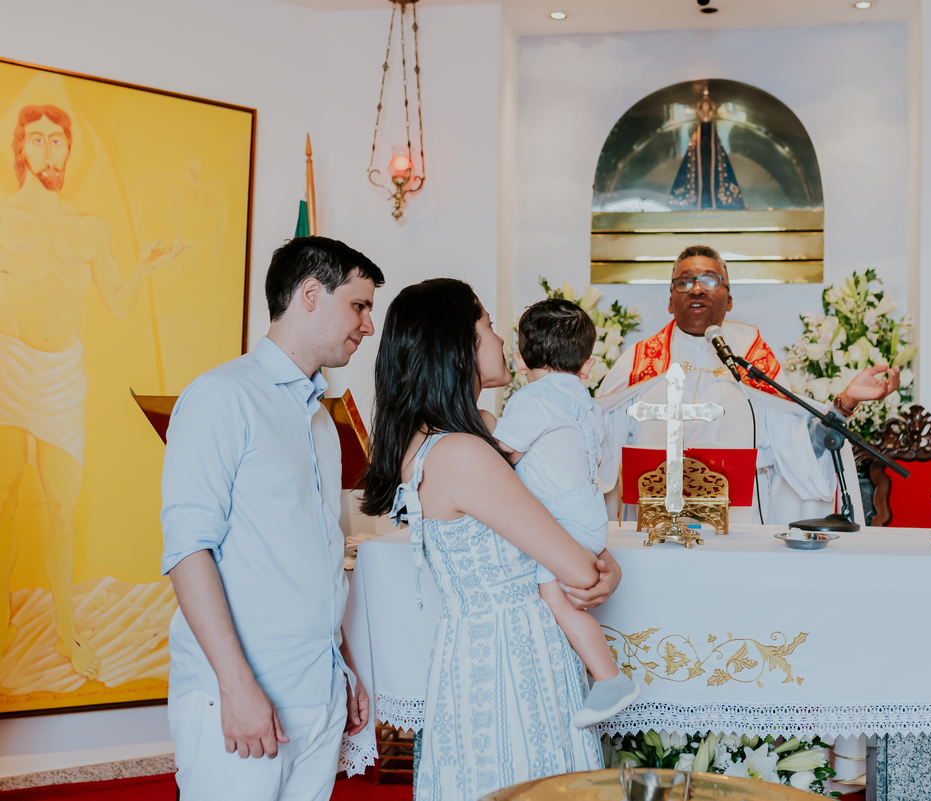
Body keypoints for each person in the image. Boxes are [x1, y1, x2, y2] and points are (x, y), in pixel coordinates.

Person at [358, 279, 621, 800]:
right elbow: (574, 566)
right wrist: (599, 565)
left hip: (491, 649)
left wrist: (601, 557)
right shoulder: (462, 453)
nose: (502, 339)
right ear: (459, 344)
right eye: (489, 326)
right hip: (509, 662)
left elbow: (550, 517)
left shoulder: (471, 432)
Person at [160, 237, 383, 801]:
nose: (368, 325)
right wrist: (236, 687)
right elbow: (189, 549)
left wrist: (344, 665)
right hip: (242, 693)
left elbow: (316, 555)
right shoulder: (220, 397)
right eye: (359, 305)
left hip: (319, 691)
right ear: (311, 293)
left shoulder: (321, 424)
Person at [0, 104, 182, 679]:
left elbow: (119, 305)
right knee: (3, 500)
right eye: (37, 141)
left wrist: (145, 269)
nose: (49, 152)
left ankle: (63, 634)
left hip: (59, 377)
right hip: (6, 368)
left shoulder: (88, 230)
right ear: (20, 150)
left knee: (61, 508)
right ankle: (3, 617)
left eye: (58, 141)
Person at [596, 245, 900, 523]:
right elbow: (597, 446)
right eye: (684, 282)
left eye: (710, 281)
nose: (697, 289)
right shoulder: (638, 363)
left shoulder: (751, 360)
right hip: (654, 527)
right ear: (670, 301)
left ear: (729, 301)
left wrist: (845, 401)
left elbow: (800, 446)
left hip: (737, 527)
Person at [491, 299, 640, 729]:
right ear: (588, 367)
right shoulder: (591, 405)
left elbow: (502, 457)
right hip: (590, 512)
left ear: (520, 360)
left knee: (554, 595)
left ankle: (609, 678)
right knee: (560, 593)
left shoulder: (530, 400)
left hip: (559, 519)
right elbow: (604, 466)